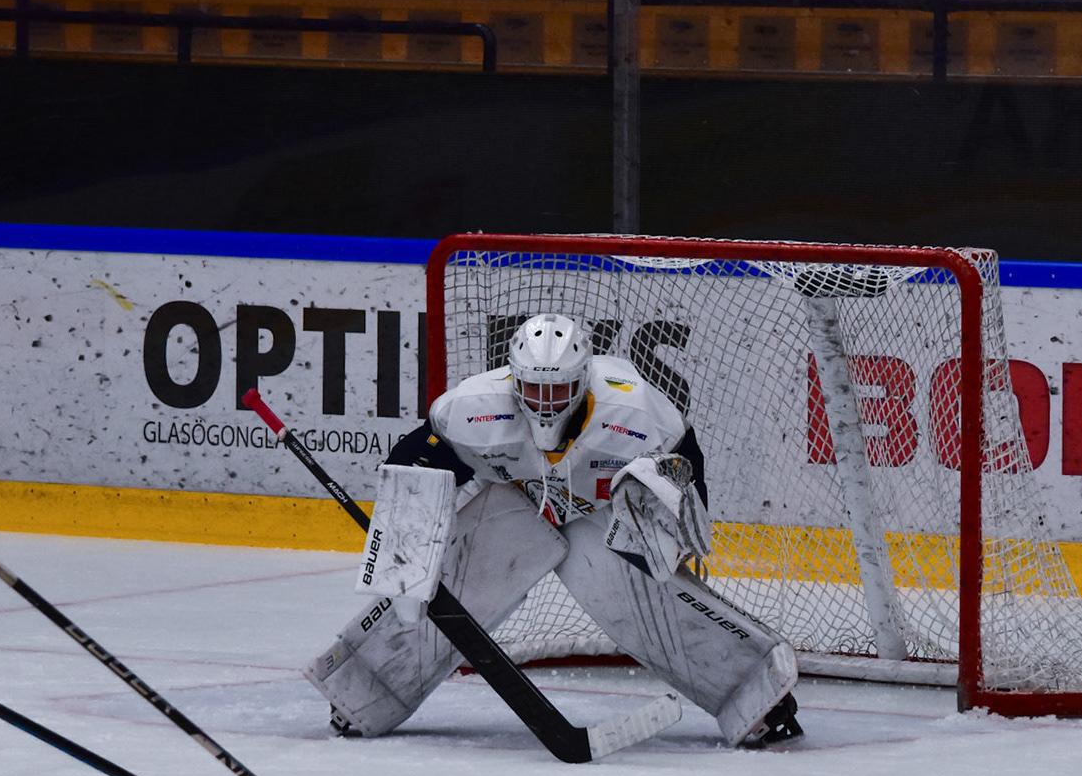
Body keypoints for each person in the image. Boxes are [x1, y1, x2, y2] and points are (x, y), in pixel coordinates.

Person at [309, 312, 803, 749]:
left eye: (559, 390)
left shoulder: (635, 413)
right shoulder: (473, 407)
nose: (546, 403)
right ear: (513, 379)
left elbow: (685, 468)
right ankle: (360, 688)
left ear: (584, 380)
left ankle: (756, 694)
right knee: (451, 584)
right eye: (534, 389)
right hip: (514, 507)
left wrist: (673, 520)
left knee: (641, 595)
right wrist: (405, 552)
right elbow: (413, 468)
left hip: (601, 514)